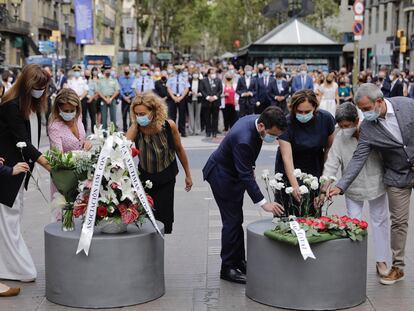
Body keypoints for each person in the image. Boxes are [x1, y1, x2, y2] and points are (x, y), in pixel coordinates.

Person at [329, 83, 414, 285]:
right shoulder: (367, 128)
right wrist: (340, 186)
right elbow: (358, 158)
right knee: (399, 222)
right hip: (396, 176)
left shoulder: (407, 105)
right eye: (361, 110)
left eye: (366, 109)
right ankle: (398, 267)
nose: (364, 114)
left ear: (379, 101)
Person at [203, 106, 287, 284]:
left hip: (232, 172)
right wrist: (264, 203)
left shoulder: (256, 120)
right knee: (231, 222)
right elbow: (245, 175)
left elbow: (246, 166)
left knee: (236, 219)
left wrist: (251, 166)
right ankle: (228, 267)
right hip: (222, 176)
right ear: (262, 126)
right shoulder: (244, 139)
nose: (274, 138)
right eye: (273, 134)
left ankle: (239, 261)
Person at [320, 103, 390, 277]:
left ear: (357, 121)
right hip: (351, 187)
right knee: (353, 224)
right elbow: (331, 163)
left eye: (347, 126)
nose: (344, 130)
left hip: (376, 183)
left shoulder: (372, 132)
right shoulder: (339, 138)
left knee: (380, 222)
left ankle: (381, 260)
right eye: (341, 126)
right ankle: (354, 261)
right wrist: (325, 186)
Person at [0, 64, 51, 282]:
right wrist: (48, 164)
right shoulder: (12, 107)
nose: (40, 91)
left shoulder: (32, 107)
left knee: (12, 221)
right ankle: (19, 269)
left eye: (43, 87)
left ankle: (9, 268)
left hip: (19, 173)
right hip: (8, 172)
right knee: (9, 222)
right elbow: (24, 143)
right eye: (36, 87)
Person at [126, 92, 193, 234]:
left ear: (154, 111)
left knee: (163, 219)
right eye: (137, 114)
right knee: (145, 219)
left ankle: (158, 248)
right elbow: (123, 148)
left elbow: (179, 150)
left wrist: (188, 175)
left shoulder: (169, 126)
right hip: (145, 178)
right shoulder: (136, 128)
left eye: (143, 114)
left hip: (166, 177)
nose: (140, 117)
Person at [275, 89, 335, 205]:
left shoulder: (326, 119)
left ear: (315, 108)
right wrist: (295, 186)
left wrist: (325, 180)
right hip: (291, 166)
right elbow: (287, 158)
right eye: (299, 111)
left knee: (312, 207)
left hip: (314, 164)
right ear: (293, 108)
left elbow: (329, 149)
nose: (303, 115)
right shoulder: (286, 123)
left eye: (307, 111)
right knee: (289, 207)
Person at [166, 65, 190, 137]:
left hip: (181, 98)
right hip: (172, 98)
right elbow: (168, 88)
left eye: (179, 69)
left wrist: (181, 97)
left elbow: (187, 88)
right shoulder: (171, 78)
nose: (178, 70)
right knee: (172, 115)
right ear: (175, 69)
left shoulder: (184, 78)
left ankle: (182, 131)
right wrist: (173, 97)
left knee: (182, 115)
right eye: (177, 69)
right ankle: (172, 131)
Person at [200, 67, 223, 138]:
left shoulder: (218, 80)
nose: (214, 74)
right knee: (207, 117)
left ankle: (214, 132)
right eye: (212, 73)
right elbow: (201, 90)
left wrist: (215, 97)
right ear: (209, 74)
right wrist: (208, 97)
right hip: (206, 102)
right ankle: (208, 131)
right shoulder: (203, 81)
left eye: (214, 73)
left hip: (216, 102)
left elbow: (220, 90)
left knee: (215, 118)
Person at [67, 65, 90, 131]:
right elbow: (68, 90)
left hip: (82, 99)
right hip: (73, 100)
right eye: (75, 71)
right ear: (73, 72)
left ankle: (84, 130)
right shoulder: (70, 80)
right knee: (73, 115)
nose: (76, 72)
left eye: (78, 71)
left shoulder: (83, 80)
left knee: (83, 115)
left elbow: (86, 91)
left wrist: (80, 98)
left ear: (80, 72)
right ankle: (73, 129)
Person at [119, 66, 136, 132]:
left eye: (127, 70)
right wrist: (124, 97)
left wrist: (130, 96)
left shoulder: (133, 78)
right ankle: (124, 129)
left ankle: (131, 129)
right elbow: (120, 89)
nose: (126, 71)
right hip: (124, 98)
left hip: (131, 97)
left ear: (130, 71)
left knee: (131, 115)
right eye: (125, 70)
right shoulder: (121, 78)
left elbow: (134, 89)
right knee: (124, 114)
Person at [188, 69, 202, 135]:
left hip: (198, 99)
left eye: (196, 73)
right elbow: (186, 89)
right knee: (191, 115)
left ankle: (197, 130)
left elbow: (203, 90)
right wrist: (190, 92)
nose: (195, 74)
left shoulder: (201, 81)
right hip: (190, 99)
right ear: (192, 74)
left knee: (197, 115)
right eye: (194, 73)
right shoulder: (189, 81)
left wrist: (199, 93)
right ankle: (191, 130)